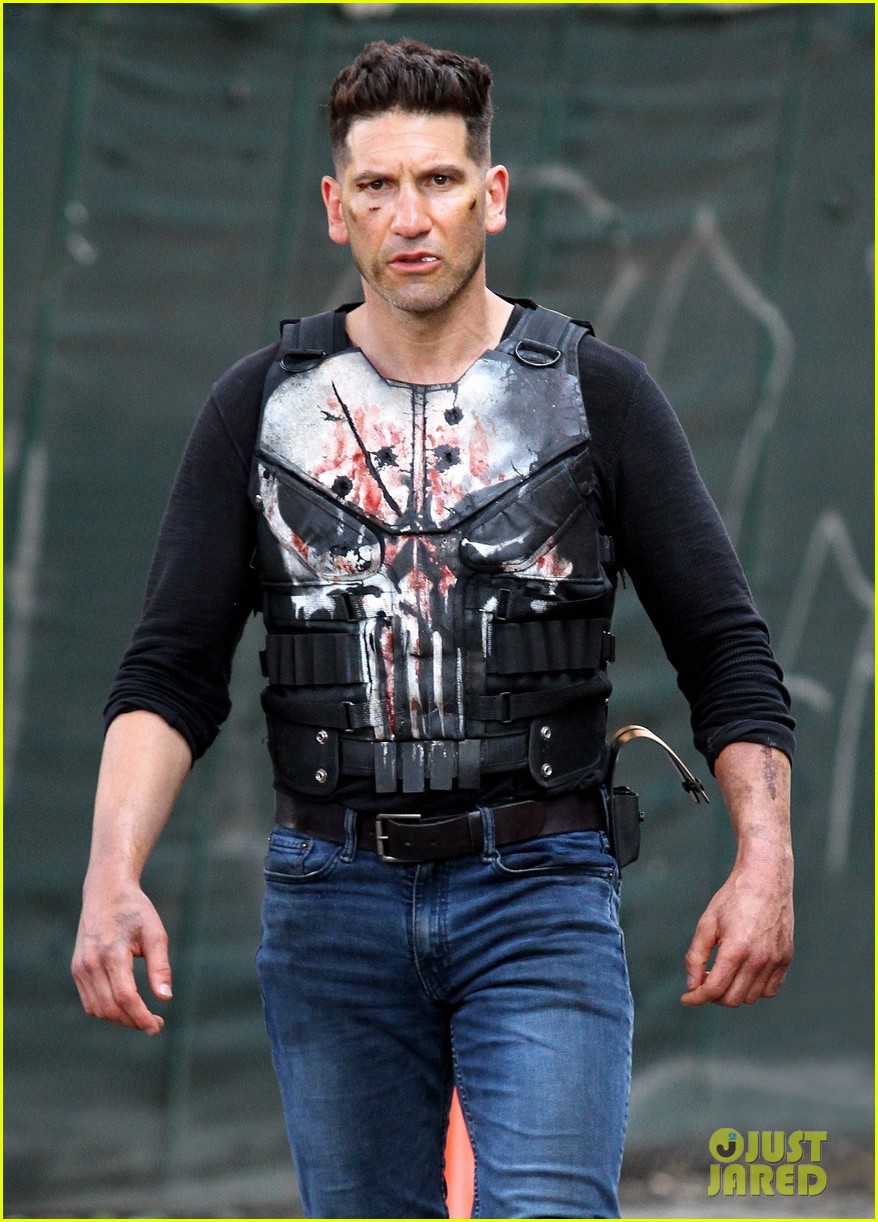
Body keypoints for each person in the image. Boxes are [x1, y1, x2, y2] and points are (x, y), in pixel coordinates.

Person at [72, 38, 795, 1220]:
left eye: (439, 180)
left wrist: (763, 860)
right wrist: (111, 875)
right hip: (330, 899)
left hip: (540, 888)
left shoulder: (597, 395)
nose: (409, 217)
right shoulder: (261, 407)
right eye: (376, 186)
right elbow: (169, 673)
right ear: (333, 207)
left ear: (491, 195)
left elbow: (725, 649)